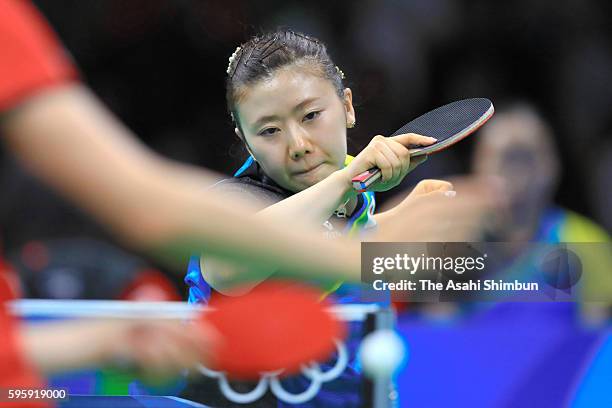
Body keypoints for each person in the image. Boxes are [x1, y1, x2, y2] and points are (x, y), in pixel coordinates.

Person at [183, 29, 500, 408]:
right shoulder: (235, 204)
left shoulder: (353, 195)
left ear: (347, 107)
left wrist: (401, 221)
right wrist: (347, 181)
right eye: (269, 131)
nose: (298, 145)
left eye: (311, 115)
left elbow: (333, 259)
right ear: (246, 140)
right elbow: (230, 266)